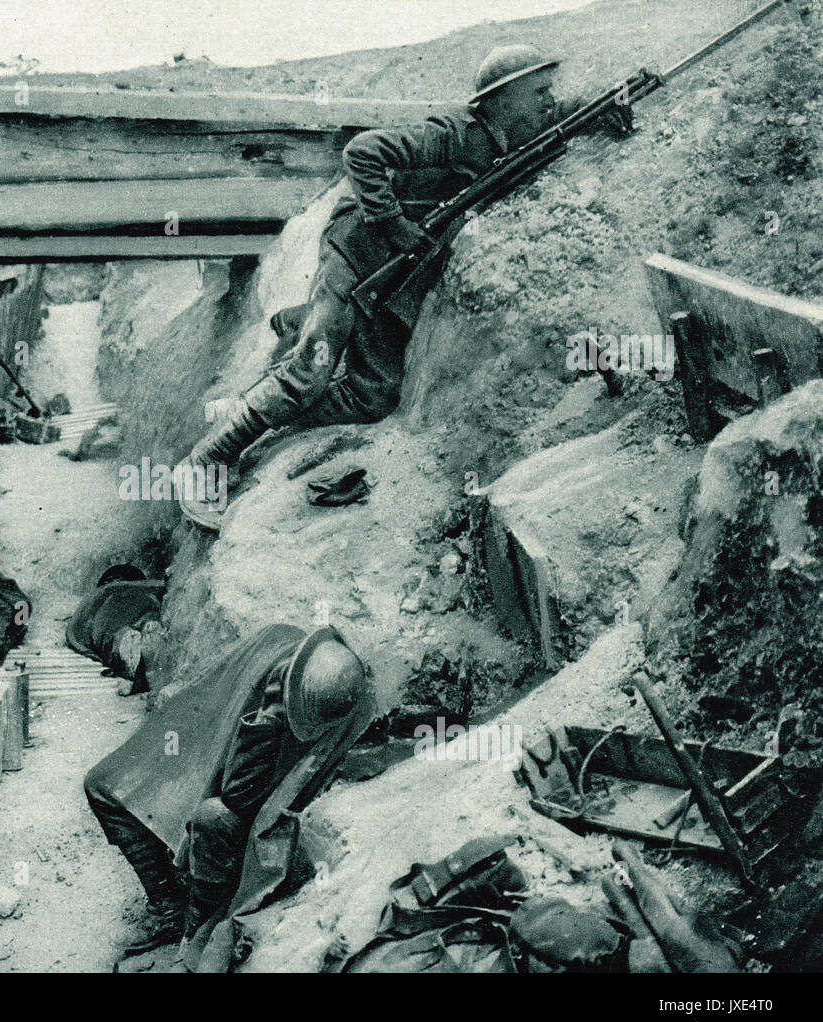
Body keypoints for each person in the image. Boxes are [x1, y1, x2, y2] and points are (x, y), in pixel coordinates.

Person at [177, 45, 633, 530]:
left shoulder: (512, 129)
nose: (550, 100)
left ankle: (252, 412)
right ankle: (210, 456)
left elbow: (557, 117)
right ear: (501, 101)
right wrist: (392, 221)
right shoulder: (453, 135)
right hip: (357, 252)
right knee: (311, 371)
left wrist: (604, 109)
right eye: (539, 91)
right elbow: (363, 152)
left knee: (374, 396)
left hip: (394, 271)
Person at [84, 625, 373, 960]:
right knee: (103, 785)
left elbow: (238, 796)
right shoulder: (274, 642)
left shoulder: (336, 703)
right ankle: (168, 898)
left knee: (212, 817)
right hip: (209, 759)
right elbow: (202, 711)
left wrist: (265, 723)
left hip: (251, 821)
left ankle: (175, 913)